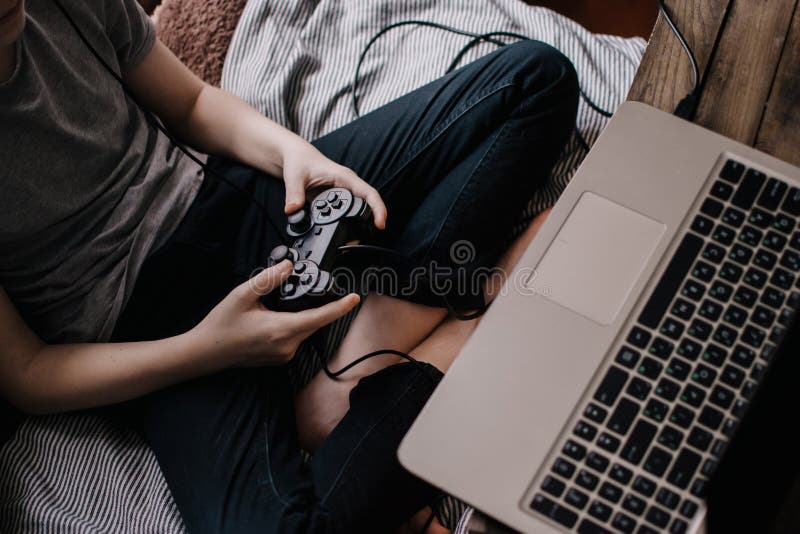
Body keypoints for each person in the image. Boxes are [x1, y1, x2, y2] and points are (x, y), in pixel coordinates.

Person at [0, 0, 579, 532]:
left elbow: (192, 102)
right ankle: (458, 339)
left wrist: (293, 154)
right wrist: (213, 347)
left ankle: (352, 371)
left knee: (533, 79)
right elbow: (27, 373)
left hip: (230, 196)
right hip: (150, 326)